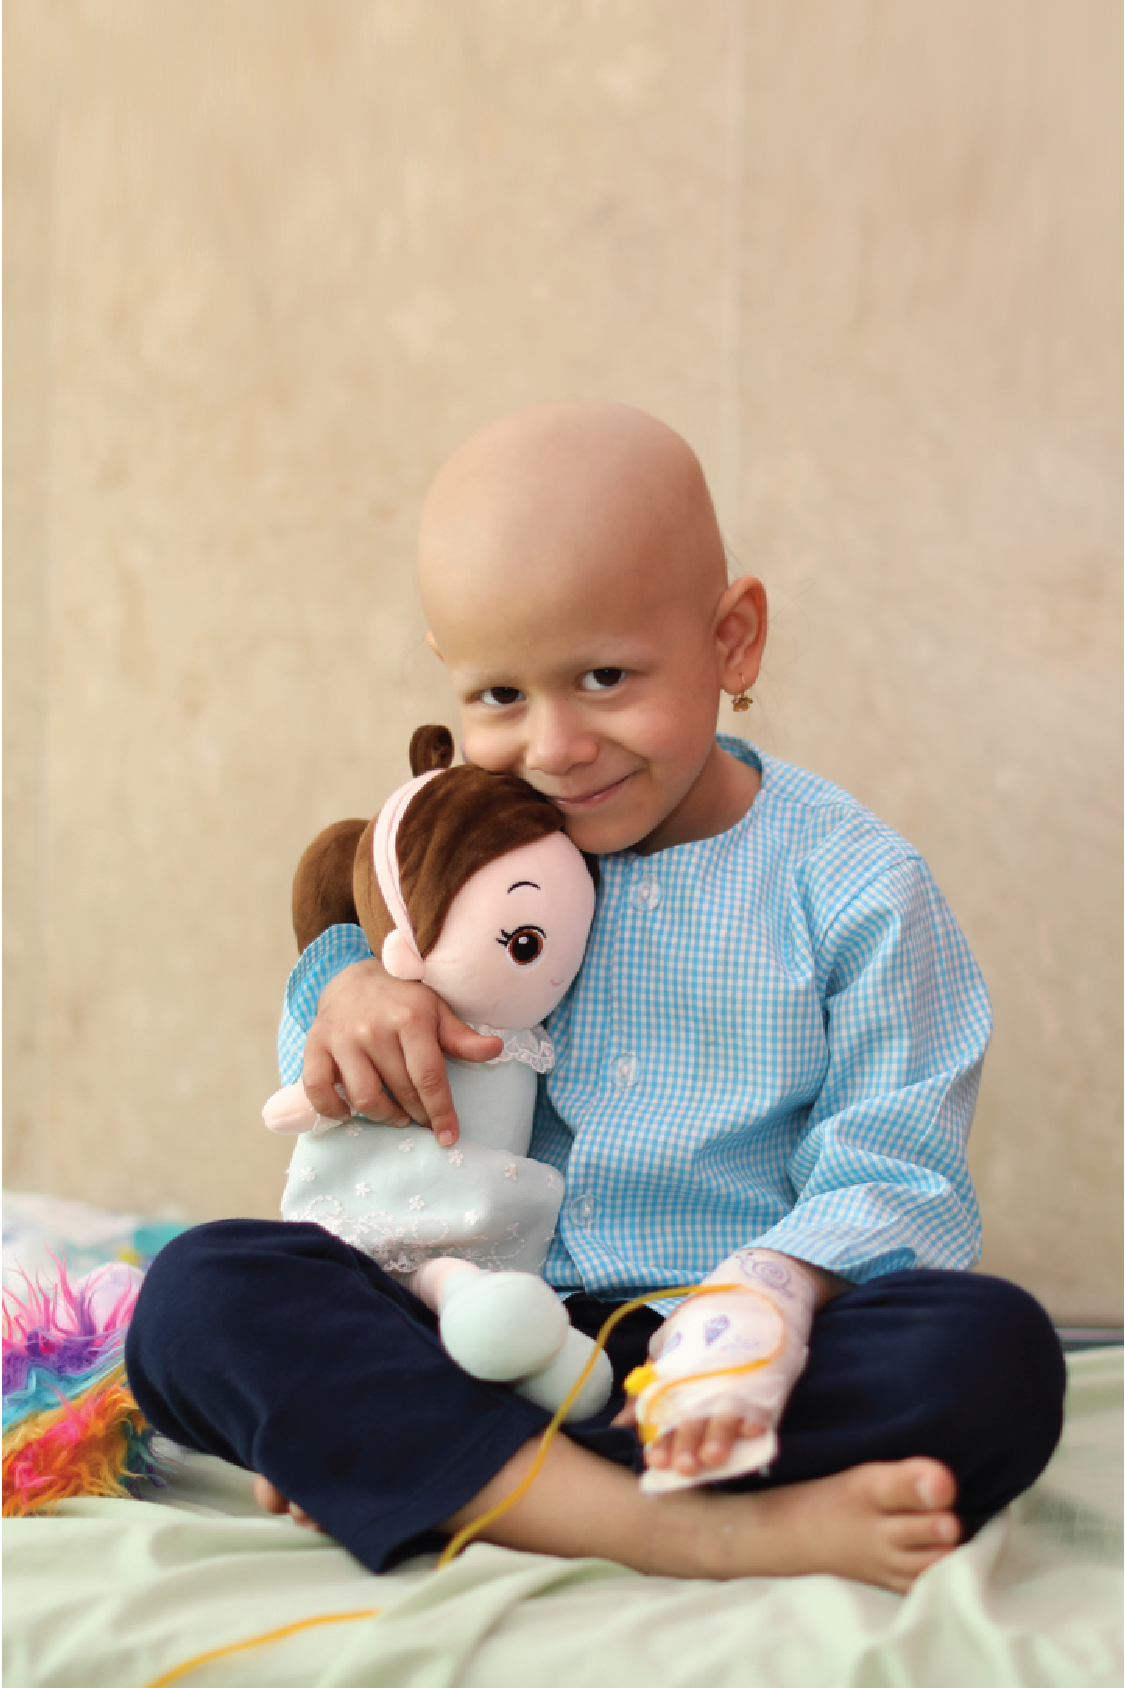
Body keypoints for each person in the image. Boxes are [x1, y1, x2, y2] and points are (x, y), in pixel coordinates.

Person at [126, 402, 1065, 1594]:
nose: (555, 746)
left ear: (732, 641)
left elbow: (897, 1166)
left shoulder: (854, 884)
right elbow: (359, 988)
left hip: (731, 1353)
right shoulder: (468, 846)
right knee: (199, 1295)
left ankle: (431, 1464)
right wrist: (348, 988)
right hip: (473, 1322)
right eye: (498, 696)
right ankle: (681, 1525)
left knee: (994, 1353)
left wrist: (771, 1297)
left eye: (607, 677)